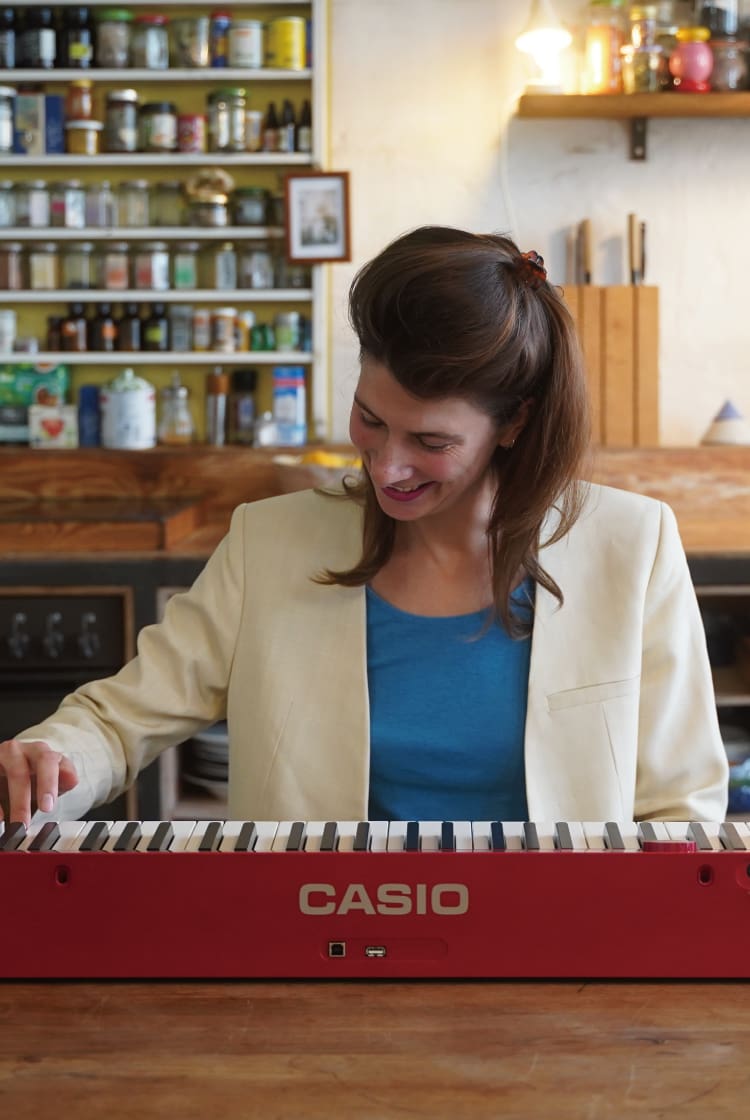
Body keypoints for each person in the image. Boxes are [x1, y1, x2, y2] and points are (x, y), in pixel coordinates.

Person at [0, 226, 728, 829]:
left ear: (515, 423)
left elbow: (681, 809)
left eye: (431, 442)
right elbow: (118, 720)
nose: (387, 467)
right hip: (319, 933)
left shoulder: (631, 545)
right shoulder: (269, 543)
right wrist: (51, 757)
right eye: (370, 420)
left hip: (558, 942)